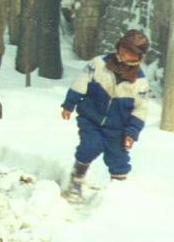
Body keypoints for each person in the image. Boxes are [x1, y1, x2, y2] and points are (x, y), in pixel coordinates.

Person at [61, 29, 150, 197]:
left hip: (118, 128)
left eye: (132, 53)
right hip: (91, 119)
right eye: (124, 49)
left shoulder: (140, 81)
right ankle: (76, 179)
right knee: (90, 146)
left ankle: (117, 193)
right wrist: (69, 104)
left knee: (119, 160)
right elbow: (81, 82)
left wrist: (132, 132)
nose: (126, 55)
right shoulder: (99, 64)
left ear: (139, 57)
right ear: (118, 47)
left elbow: (141, 109)